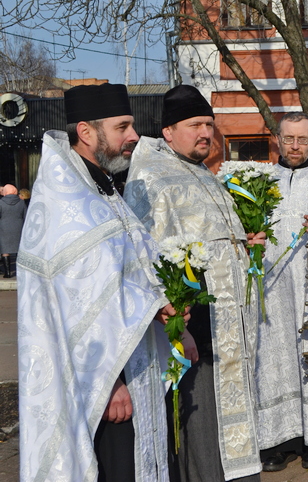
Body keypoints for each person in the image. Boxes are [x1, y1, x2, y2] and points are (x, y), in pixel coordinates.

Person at [17, 83, 180, 481]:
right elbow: (80, 313)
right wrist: (110, 384)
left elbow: (126, 275)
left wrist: (163, 306)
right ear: (87, 132)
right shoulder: (67, 203)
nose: (134, 137)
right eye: (123, 126)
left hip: (135, 368)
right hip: (103, 385)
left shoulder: (99, 187)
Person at [124, 85, 264, 482]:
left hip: (230, 326)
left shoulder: (204, 172)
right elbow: (144, 258)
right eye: (195, 125)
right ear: (168, 131)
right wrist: (177, 327)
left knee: (231, 423)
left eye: (209, 124)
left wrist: (246, 247)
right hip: (195, 326)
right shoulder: (151, 176)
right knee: (202, 428)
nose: (205, 132)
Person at [255, 112, 308, 472]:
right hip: (271, 291)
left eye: (302, 139)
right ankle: (277, 441)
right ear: (276, 138)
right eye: (288, 139)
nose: (295, 146)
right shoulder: (258, 181)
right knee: (273, 360)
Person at [0, 184, 26, 278]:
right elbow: (25, 216)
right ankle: (21, 272)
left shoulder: (1, 203)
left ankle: (7, 273)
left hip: (4, 229)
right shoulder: (21, 203)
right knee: (19, 250)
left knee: (5, 250)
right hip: (18, 228)